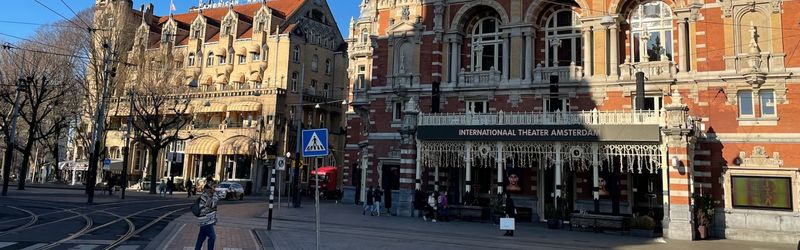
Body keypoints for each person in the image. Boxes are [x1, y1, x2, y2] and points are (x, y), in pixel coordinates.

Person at [196, 184, 219, 250]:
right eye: (212, 188)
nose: (213, 189)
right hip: (206, 222)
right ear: (207, 189)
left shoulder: (207, 196)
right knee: (212, 237)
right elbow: (213, 204)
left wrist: (214, 219)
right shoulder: (205, 197)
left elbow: (212, 208)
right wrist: (215, 194)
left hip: (205, 221)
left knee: (200, 239)